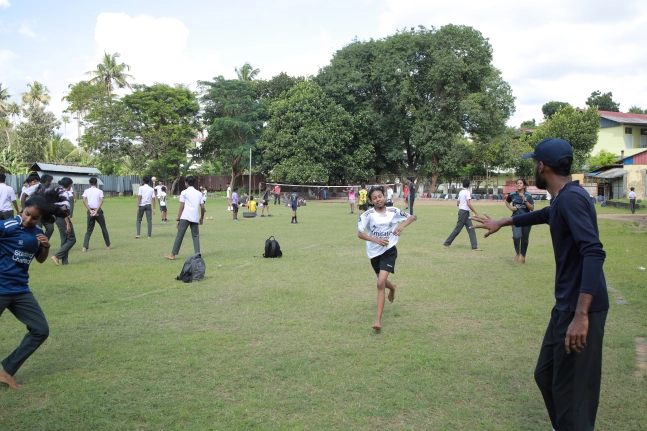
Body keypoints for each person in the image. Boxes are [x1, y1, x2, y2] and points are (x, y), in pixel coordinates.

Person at [471, 138, 609, 431]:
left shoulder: (571, 199)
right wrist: (502, 222)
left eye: (534, 163)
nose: (533, 168)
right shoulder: (563, 198)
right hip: (566, 304)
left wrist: (581, 315)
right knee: (546, 375)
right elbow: (545, 214)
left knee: (571, 392)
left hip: (580, 307)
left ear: (542, 166)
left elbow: (594, 252)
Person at [0, 188, 69, 389]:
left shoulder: (39, 234)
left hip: (20, 290)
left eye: (34, 217)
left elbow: (39, 260)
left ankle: (6, 372)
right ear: (22, 209)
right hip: (1, 288)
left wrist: (46, 247)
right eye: (26, 214)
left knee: (40, 330)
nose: (28, 219)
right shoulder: (9, 225)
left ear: (41, 218)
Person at [357, 186, 415, 330]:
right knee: (381, 281)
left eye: (380, 196)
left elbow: (412, 217)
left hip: (389, 251)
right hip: (374, 253)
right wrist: (376, 240)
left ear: (384, 197)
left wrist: (402, 226)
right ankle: (392, 288)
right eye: (375, 198)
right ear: (371, 201)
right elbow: (360, 234)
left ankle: (378, 320)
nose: (378, 199)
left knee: (380, 283)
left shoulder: (393, 211)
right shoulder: (368, 215)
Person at [164, 176, 205, 260]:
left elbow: (181, 207)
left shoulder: (184, 192)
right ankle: (197, 255)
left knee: (180, 235)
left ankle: (173, 254)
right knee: (195, 236)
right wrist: (201, 218)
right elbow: (202, 207)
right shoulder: (199, 193)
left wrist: (178, 219)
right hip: (195, 217)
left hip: (185, 217)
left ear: (186, 183)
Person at [443, 179, 481, 251]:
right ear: (469, 185)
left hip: (463, 212)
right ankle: (447, 243)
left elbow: (458, 203)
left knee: (471, 229)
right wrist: (475, 212)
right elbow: (468, 203)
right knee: (458, 229)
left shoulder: (460, 192)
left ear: (463, 185)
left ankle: (474, 247)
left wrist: (462, 205)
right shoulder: (467, 192)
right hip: (464, 213)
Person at [505, 179, 535, 264]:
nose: (518, 184)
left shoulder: (528, 195)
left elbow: (532, 208)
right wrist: (511, 208)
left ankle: (523, 255)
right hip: (515, 219)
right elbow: (507, 202)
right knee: (516, 237)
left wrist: (524, 199)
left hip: (527, 219)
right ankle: (517, 253)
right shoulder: (512, 194)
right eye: (517, 183)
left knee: (524, 239)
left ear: (524, 186)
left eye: (520, 183)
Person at [81, 177, 114, 252]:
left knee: (89, 229)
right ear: (96, 183)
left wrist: (90, 210)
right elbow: (101, 200)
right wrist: (96, 210)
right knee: (103, 227)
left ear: (89, 183)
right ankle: (108, 245)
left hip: (90, 211)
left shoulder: (86, 191)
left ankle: (85, 247)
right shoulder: (99, 191)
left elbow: (84, 200)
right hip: (98, 211)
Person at [51, 177, 76, 266]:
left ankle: (65, 262)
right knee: (72, 239)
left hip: (57, 217)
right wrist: (67, 223)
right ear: (70, 185)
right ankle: (57, 256)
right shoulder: (65, 194)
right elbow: (63, 208)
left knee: (64, 239)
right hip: (63, 218)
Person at [26, 175, 55, 240]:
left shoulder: (48, 189)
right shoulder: (36, 187)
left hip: (45, 213)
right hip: (36, 212)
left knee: (50, 229)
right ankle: (35, 243)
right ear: (45, 181)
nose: (50, 183)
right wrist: (24, 208)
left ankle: (43, 242)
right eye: (49, 181)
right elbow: (24, 195)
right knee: (37, 229)